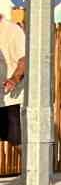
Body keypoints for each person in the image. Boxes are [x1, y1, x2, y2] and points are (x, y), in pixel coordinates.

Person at [0, 13, 25, 147]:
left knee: (14, 143)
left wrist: (14, 79)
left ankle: (25, 167)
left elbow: (23, 60)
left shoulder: (13, 31)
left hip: (10, 99)